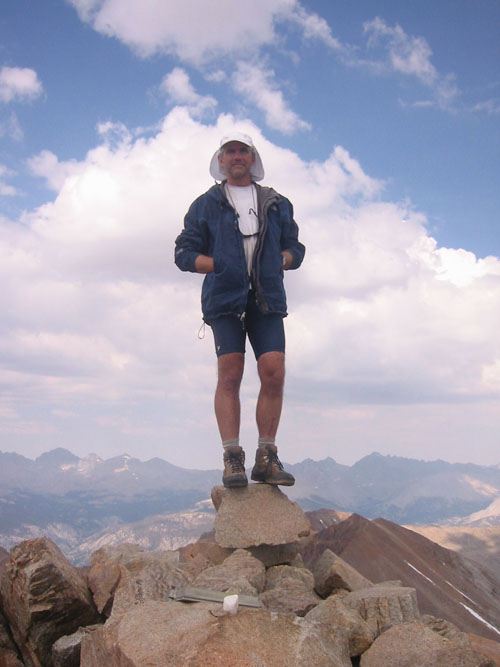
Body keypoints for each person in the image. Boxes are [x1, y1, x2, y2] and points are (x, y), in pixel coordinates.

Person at [175, 132, 305, 489]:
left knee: (273, 371)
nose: (236, 157)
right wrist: (218, 266)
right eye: (229, 151)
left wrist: (283, 259)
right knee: (230, 374)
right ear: (221, 160)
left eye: (242, 151)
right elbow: (183, 252)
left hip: (266, 297)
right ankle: (233, 458)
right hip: (224, 299)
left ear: (252, 158)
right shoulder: (206, 204)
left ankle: (267, 456)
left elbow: (296, 246)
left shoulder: (277, 202)